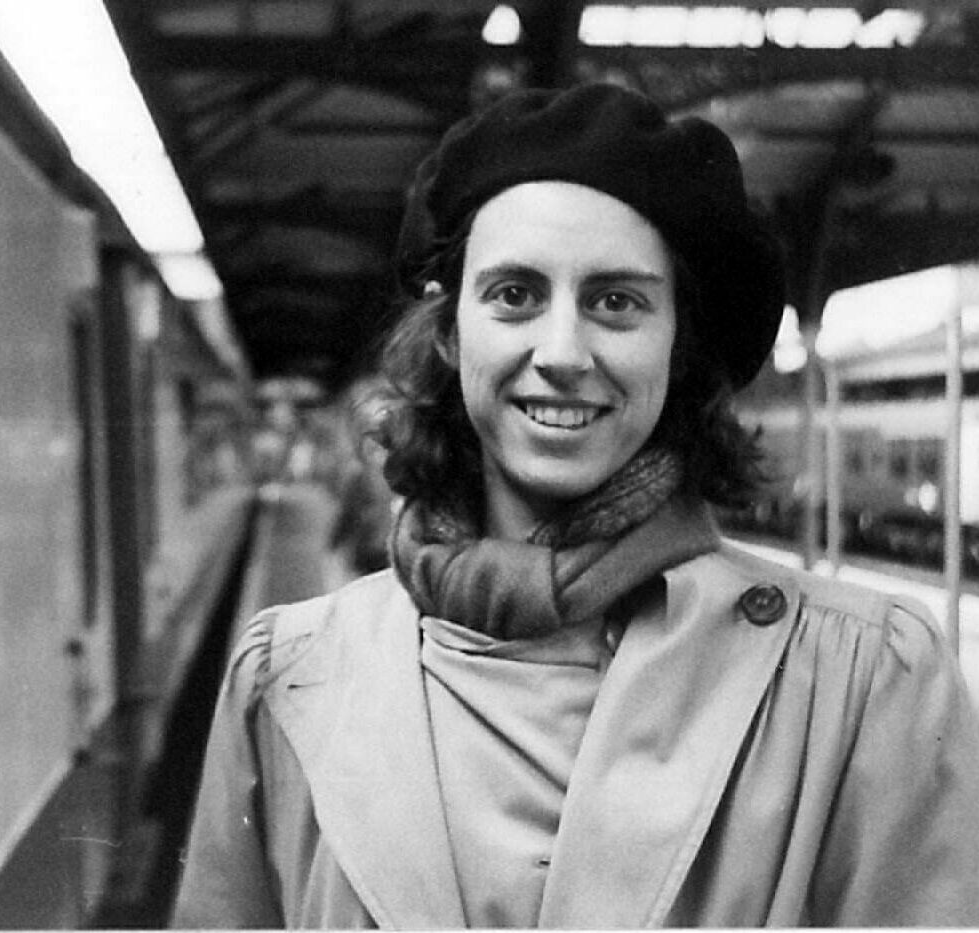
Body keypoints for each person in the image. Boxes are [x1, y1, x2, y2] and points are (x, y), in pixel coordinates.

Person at [172, 84, 979, 928]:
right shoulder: (286, 677)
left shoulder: (864, 678)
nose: (560, 353)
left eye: (616, 301)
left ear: (679, 342)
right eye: (514, 294)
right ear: (450, 333)